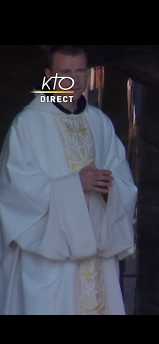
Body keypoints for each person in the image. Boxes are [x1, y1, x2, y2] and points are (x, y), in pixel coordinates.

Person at [0, 46, 137, 315]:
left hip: (97, 260)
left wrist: (111, 189)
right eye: (65, 73)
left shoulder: (100, 123)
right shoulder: (28, 125)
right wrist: (75, 185)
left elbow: (124, 183)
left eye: (79, 72)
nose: (73, 81)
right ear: (49, 75)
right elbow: (16, 193)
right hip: (50, 266)